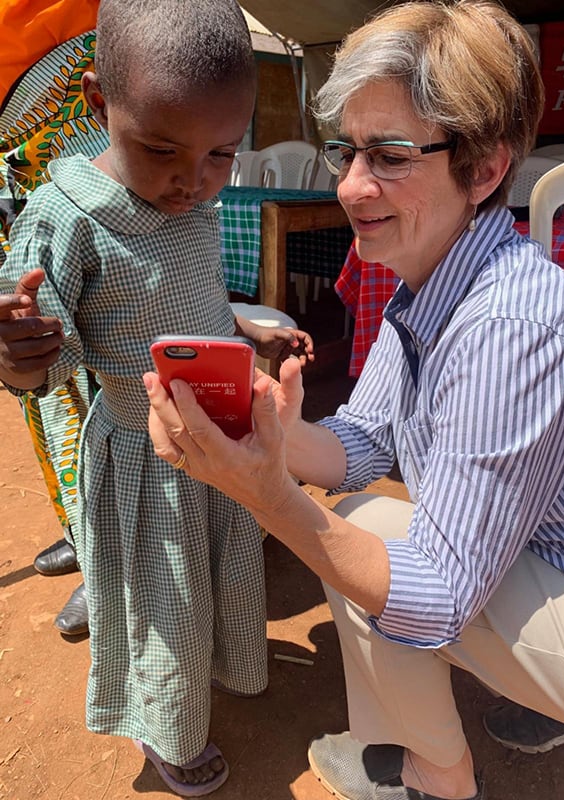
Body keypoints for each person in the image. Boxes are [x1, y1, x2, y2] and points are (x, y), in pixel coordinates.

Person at [143, 2, 564, 799]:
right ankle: (436, 766)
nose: (353, 186)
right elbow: (364, 440)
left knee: (364, 537)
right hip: (544, 551)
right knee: (363, 528)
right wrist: (276, 437)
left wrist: (271, 496)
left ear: (486, 168)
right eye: (347, 150)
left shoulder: (508, 327)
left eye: (390, 155)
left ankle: (436, 776)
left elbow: (438, 599)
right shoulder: (434, 279)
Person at [0, 0, 314, 795]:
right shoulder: (65, 217)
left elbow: (194, 300)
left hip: (221, 441)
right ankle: (167, 736)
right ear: (102, 106)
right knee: (163, 599)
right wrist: (19, 352)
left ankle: (212, 675)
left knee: (219, 575)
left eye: (220, 154)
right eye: (163, 149)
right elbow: (43, 369)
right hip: (146, 460)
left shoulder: (198, 203)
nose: (193, 180)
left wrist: (248, 332)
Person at [0, 3, 103, 636]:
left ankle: (108, 558)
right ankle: (75, 524)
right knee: (36, 384)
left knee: (90, 377)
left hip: (64, 76)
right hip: (11, 149)